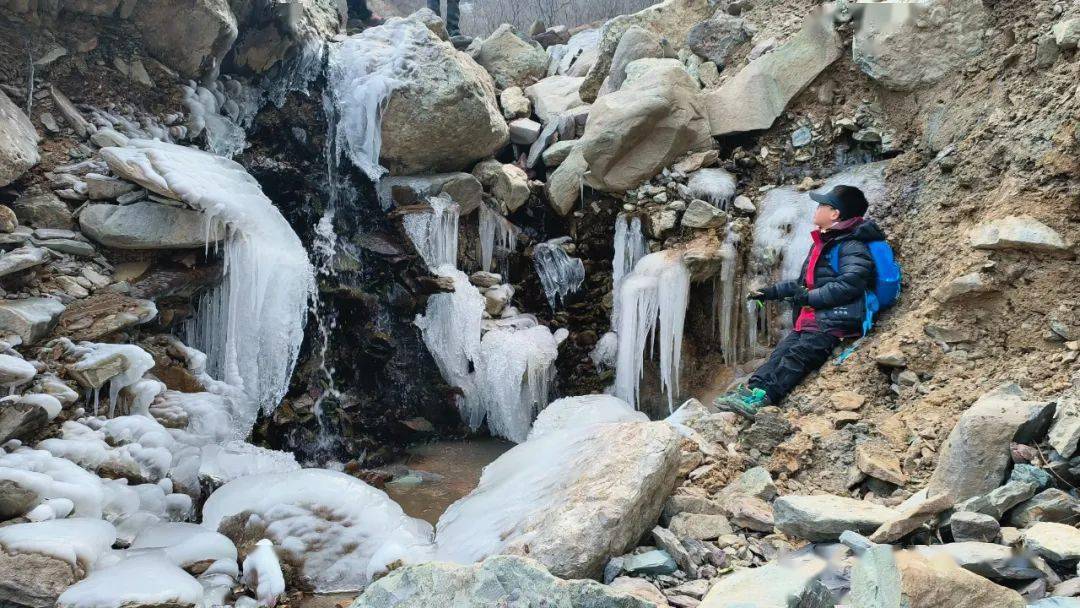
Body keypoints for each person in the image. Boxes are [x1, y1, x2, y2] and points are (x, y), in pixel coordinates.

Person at [714, 185, 888, 419]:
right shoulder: (825, 243)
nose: (816, 210)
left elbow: (851, 283)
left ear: (834, 213)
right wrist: (769, 293)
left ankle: (764, 397)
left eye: (821, 206)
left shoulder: (851, 245)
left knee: (798, 357)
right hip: (813, 319)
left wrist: (809, 298)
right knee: (779, 354)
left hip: (834, 321)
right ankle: (750, 392)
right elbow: (801, 285)